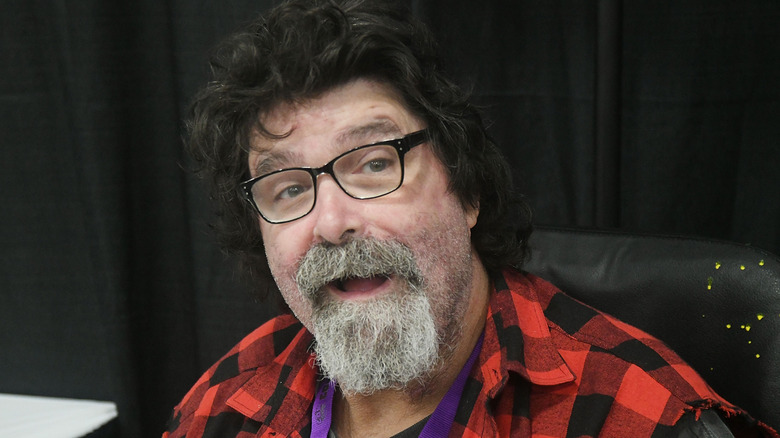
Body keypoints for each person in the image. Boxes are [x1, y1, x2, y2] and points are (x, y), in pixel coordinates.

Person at [164, 1, 778, 437]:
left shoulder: (636, 416)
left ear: (467, 190)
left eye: (375, 165)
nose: (330, 222)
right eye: (288, 187)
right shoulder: (224, 405)